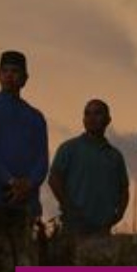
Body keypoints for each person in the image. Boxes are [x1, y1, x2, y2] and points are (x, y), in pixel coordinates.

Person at [0, 50, 49, 264]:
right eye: (4, 71)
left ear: (25, 78)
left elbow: (42, 161)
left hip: (25, 202)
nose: (9, 76)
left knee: (22, 263)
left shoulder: (35, 117)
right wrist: (11, 181)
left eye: (15, 71)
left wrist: (28, 185)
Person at [48, 99, 129, 237]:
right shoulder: (69, 148)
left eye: (97, 113)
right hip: (74, 226)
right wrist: (69, 207)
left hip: (103, 229)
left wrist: (118, 214)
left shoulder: (114, 155)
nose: (91, 118)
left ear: (108, 119)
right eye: (87, 114)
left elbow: (123, 189)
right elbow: (54, 179)